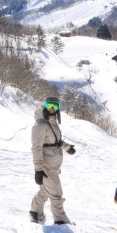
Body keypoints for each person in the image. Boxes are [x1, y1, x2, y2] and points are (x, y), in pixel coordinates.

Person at [30, 96, 76, 225]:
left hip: (54, 166)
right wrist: (38, 170)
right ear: (44, 106)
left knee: (45, 191)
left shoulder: (52, 122)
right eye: (49, 105)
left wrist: (67, 148)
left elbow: (55, 142)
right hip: (46, 168)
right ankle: (61, 221)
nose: (51, 108)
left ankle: (35, 212)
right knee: (56, 194)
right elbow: (37, 148)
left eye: (54, 106)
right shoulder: (39, 125)